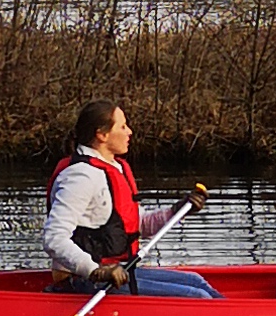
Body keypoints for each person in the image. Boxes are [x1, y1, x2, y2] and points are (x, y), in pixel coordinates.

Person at [43, 97, 217, 298]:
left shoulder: (115, 168)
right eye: (123, 126)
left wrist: (176, 212)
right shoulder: (81, 176)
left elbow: (139, 224)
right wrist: (94, 270)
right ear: (102, 134)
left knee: (196, 281)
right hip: (85, 280)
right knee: (197, 297)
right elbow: (54, 238)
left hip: (118, 271)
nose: (129, 132)